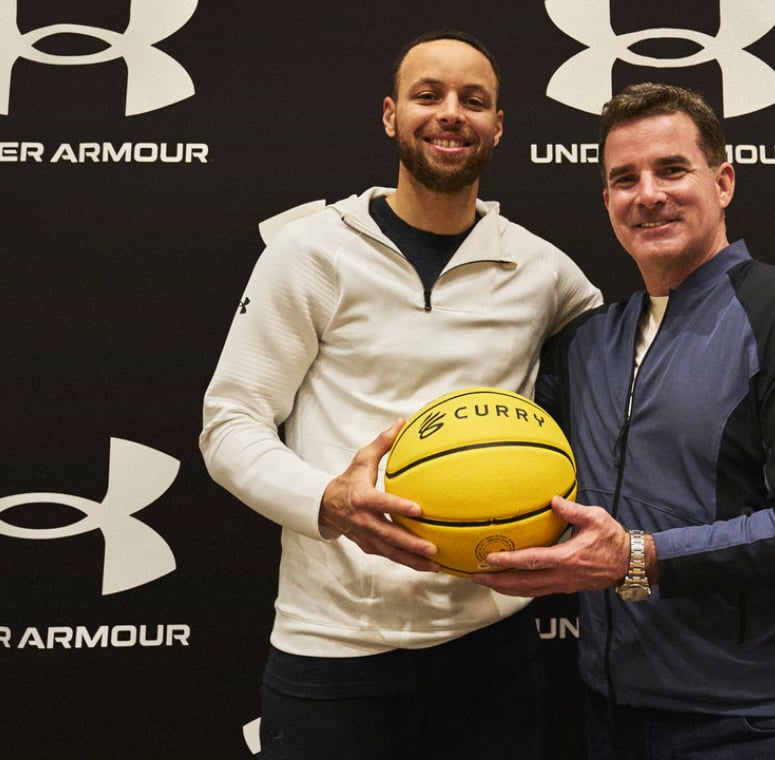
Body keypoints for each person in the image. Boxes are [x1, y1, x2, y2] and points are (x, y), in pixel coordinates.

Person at [199, 30, 601, 760]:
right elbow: (230, 423)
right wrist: (330, 502)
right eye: (428, 96)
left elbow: (622, 384)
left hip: (491, 649)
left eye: (473, 101)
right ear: (391, 116)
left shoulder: (542, 270)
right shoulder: (311, 251)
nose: (451, 114)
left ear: (498, 127)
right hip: (331, 649)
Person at [474, 82, 775, 759]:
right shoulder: (585, 343)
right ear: (607, 201)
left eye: (672, 169)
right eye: (624, 178)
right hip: (610, 715)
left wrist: (637, 557)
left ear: (722, 181)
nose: (648, 193)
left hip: (762, 725)